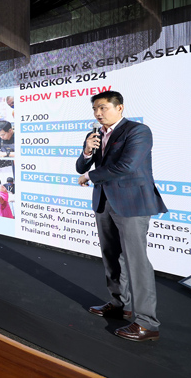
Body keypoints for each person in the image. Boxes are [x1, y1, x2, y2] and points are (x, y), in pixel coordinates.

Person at [76, 90, 166, 342]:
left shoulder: (138, 131)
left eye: (103, 107)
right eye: (95, 109)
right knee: (111, 257)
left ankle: (147, 323)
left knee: (136, 262)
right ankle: (119, 305)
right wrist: (87, 151)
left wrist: (90, 176)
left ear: (120, 107)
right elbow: (80, 166)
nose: (98, 113)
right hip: (104, 202)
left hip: (132, 203)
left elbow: (127, 166)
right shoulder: (94, 135)